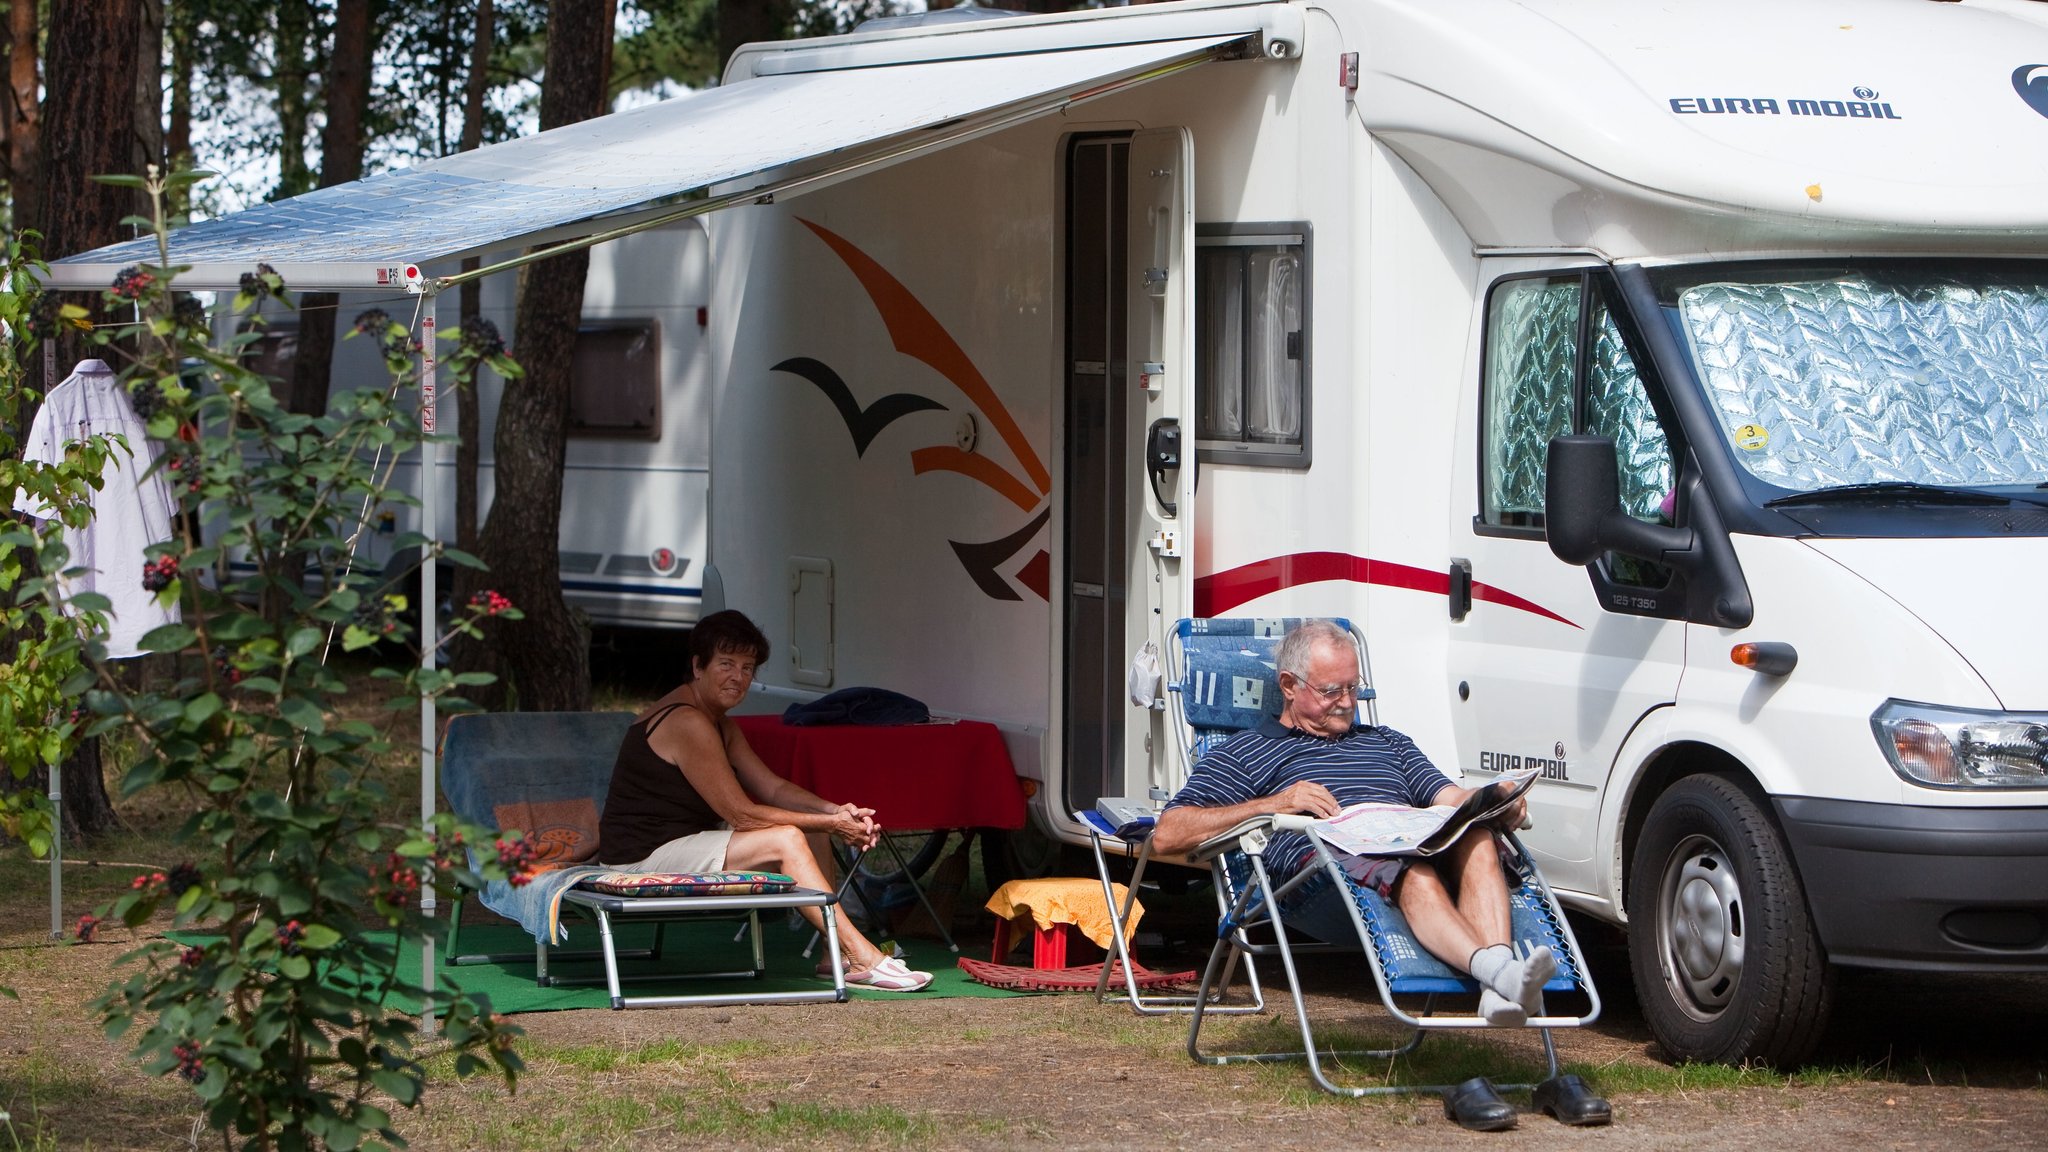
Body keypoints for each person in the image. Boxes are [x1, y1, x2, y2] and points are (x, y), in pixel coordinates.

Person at [1149, 619, 1610, 1129]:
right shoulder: (1247, 752)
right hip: (1321, 883)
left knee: (1478, 835)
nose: (1347, 701)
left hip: (1404, 847)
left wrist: (1495, 805)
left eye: (1353, 687)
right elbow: (1169, 832)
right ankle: (1503, 975)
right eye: (1331, 691)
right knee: (1412, 870)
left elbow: (1448, 800)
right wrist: (1277, 803)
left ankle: (1498, 978)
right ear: (1289, 687)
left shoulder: (1388, 742)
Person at [598, 609, 932, 992]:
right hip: (641, 858)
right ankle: (863, 954)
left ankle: (833, 954)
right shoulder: (687, 721)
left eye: (747, 667)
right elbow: (741, 813)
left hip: (682, 840)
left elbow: (771, 787)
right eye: (726, 664)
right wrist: (831, 824)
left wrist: (833, 812)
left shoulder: (719, 721)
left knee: (808, 831)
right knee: (788, 836)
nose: (738, 677)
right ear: (697, 666)